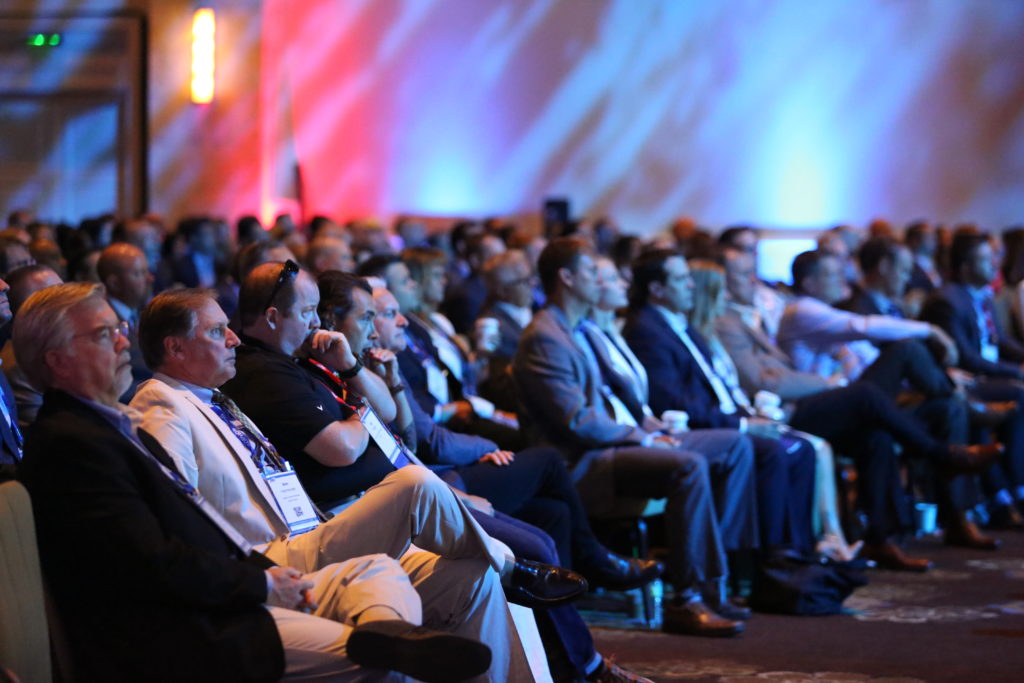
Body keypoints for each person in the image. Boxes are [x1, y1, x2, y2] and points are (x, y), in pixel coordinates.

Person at [14, 283, 495, 682]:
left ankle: (390, 631)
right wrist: (258, 583)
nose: (123, 342)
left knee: (414, 574)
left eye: (119, 330)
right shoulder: (75, 441)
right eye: (104, 334)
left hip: (262, 560)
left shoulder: (112, 424)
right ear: (57, 360)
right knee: (413, 495)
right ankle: (394, 639)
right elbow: (152, 559)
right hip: (193, 628)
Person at [514, 237, 753, 637]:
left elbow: (616, 396)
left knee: (734, 444)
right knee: (688, 466)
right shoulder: (546, 336)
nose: (601, 279)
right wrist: (639, 436)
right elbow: (576, 421)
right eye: (591, 272)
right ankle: (687, 596)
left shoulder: (579, 327)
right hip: (581, 461)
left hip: (614, 444)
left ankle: (718, 580)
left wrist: (648, 427)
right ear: (567, 278)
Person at [621, 251, 817, 556]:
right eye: (681, 279)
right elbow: (672, 400)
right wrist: (740, 424)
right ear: (656, 289)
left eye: (689, 278)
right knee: (774, 451)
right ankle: (772, 559)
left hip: (719, 419)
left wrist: (748, 416)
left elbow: (714, 386)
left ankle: (799, 552)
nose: (690, 286)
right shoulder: (646, 329)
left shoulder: (676, 323)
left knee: (800, 448)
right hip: (691, 429)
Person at [921, 231, 1024, 528]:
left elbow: (1000, 341)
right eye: (984, 259)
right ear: (965, 266)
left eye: (993, 257)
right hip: (965, 382)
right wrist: (1017, 372)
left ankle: (1008, 491)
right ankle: (1010, 491)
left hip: (986, 378)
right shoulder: (947, 300)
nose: (994, 264)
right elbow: (965, 358)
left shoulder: (981, 296)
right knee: (1019, 394)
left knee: (1017, 393)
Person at [97, 242, 155, 397]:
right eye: (139, 273)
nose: (149, 278)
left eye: (146, 271)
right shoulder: (102, 324)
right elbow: (114, 385)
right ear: (114, 283)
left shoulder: (144, 313)